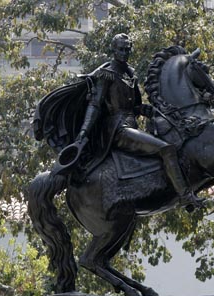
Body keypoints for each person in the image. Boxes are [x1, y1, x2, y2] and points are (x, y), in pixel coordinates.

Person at [60, 33, 205, 211]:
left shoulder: (130, 73)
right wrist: (83, 132)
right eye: (121, 49)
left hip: (131, 125)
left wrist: (145, 110)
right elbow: (95, 106)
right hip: (118, 130)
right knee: (166, 149)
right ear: (113, 50)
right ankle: (184, 196)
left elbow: (134, 106)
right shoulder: (107, 74)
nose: (124, 52)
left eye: (127, 49)